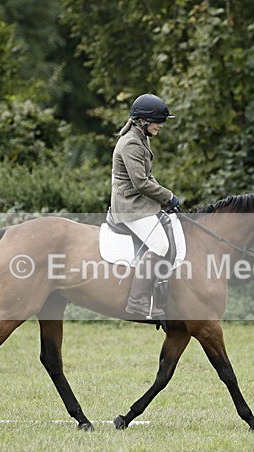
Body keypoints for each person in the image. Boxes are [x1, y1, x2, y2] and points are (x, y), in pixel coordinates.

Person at [110, 93, 181, 319]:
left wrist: (165, 199)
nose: (160, 125)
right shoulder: (131, 143)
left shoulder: (142, 138)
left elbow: (149, 177)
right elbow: (140, 182)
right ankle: (137, 301)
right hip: (129, 205)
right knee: (160, 244)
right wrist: (168, 196)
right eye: (158, 121)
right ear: (143, 121)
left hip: (139, 201)